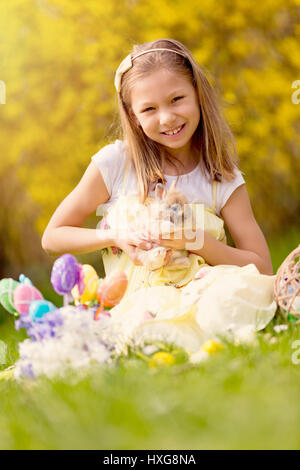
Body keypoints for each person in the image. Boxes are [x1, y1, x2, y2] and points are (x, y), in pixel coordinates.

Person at [42, 39, 276, 352]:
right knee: (135, 326)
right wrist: (116, 236)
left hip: (201, 294)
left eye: (177, 99)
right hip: (138, 304)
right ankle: (153, 337)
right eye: (149, 109)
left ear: (197, 94)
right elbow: (53, 236)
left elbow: (261, 268)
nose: (166, 118)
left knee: (227, 299)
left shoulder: (223, 179)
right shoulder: (116, 164)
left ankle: (191, 334)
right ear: (132, 114)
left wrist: (195, 241)